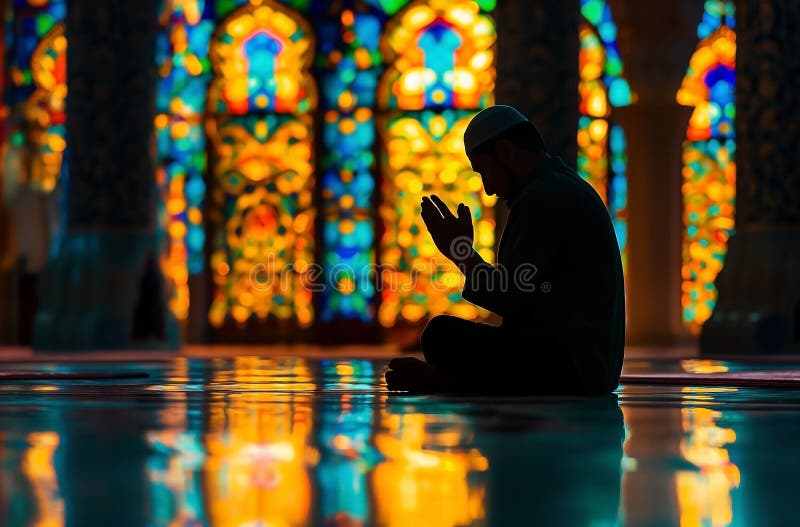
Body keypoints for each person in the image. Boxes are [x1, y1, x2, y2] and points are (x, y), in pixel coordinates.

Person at [385, 105, 625, 395]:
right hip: (587, 366)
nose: (487, 188)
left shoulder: (544, 197)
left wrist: (461, 252)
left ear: (506, 151)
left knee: (440, 336)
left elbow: (509, 297)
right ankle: (456, 381)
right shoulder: (559, 187)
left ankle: (451, 383)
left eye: (484, 170)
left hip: (570, 369)